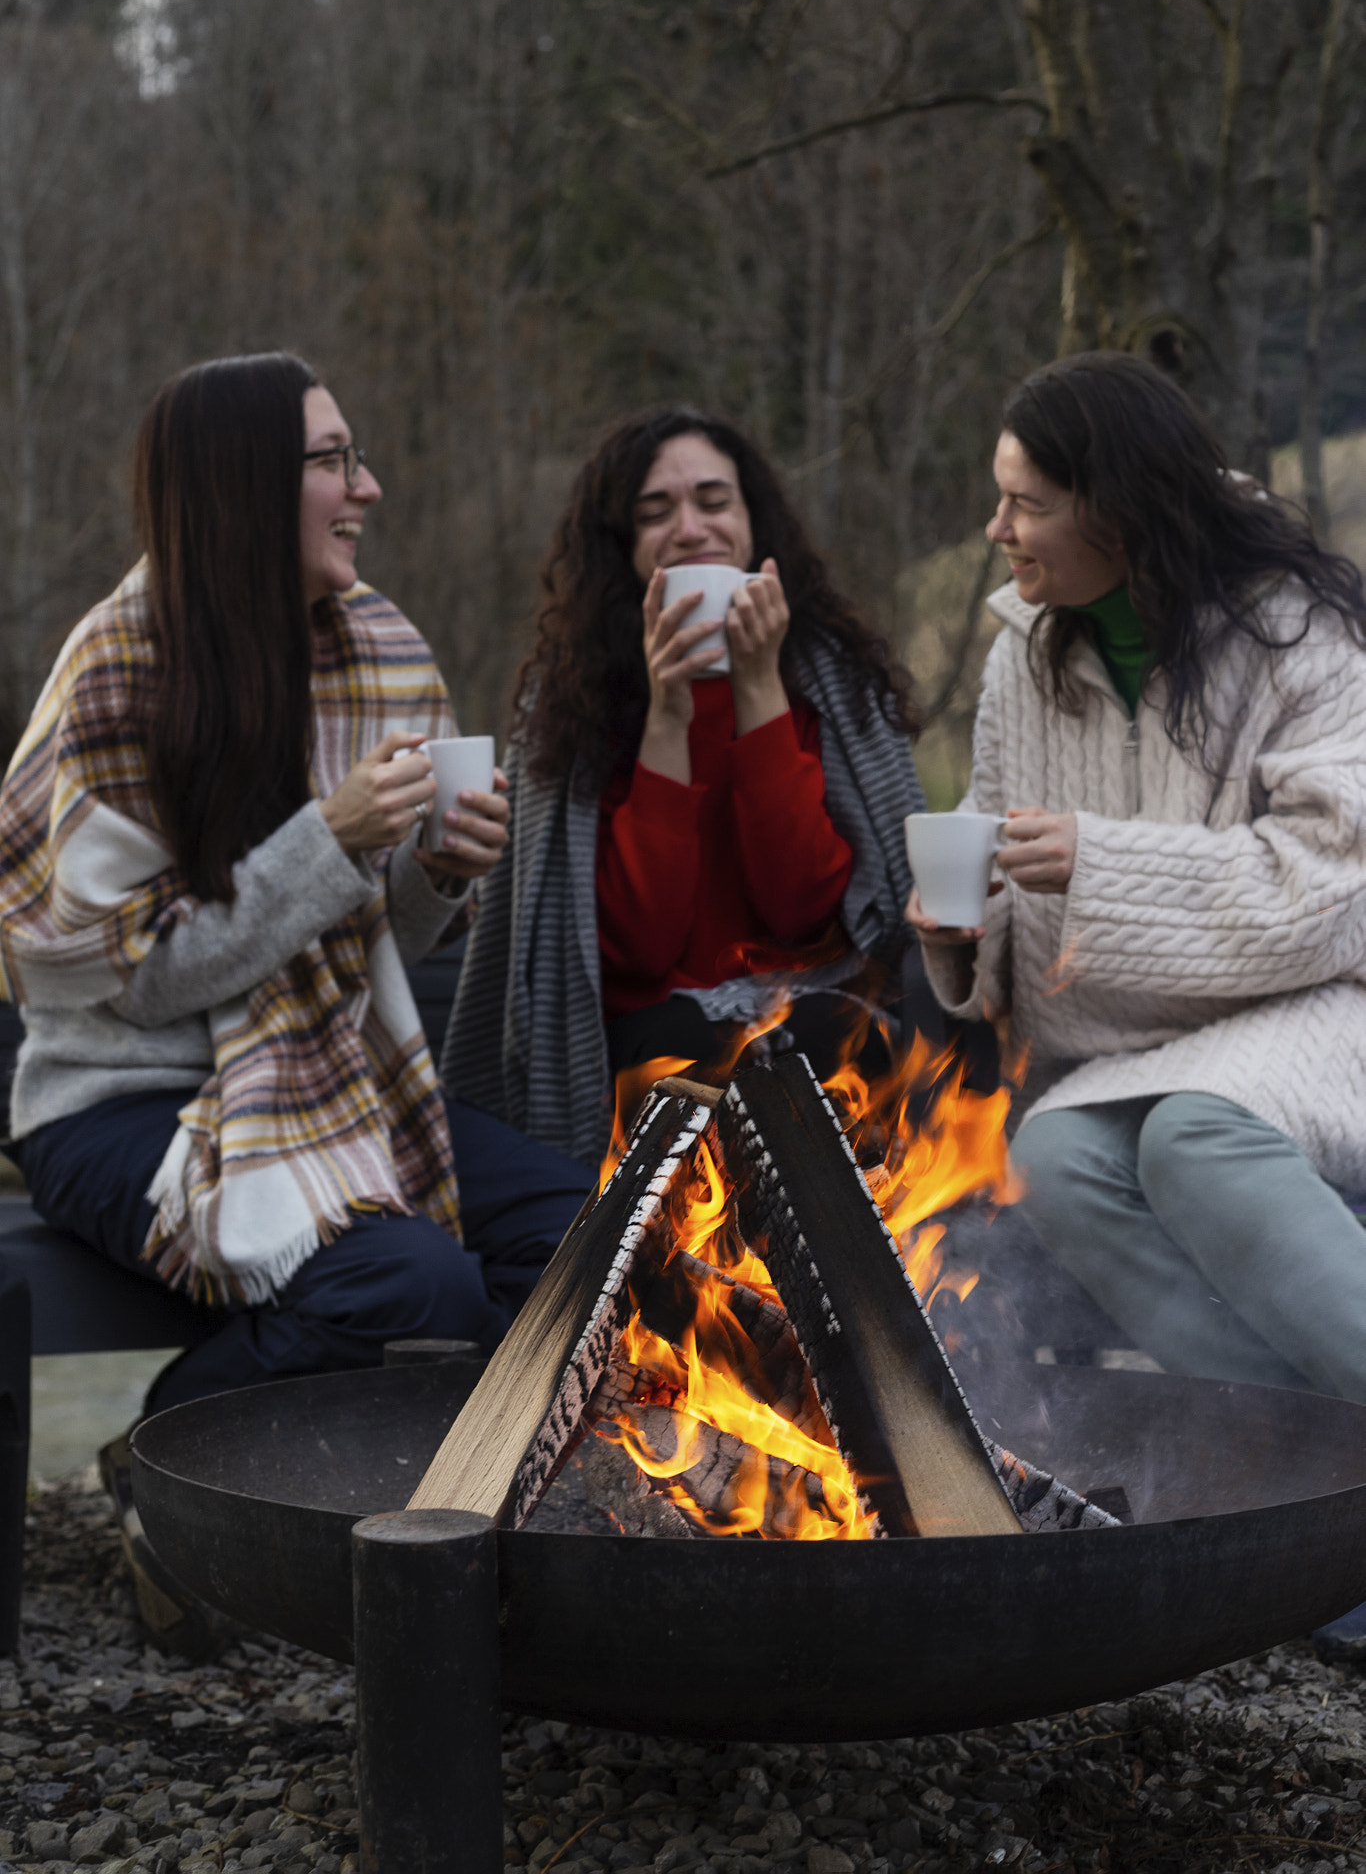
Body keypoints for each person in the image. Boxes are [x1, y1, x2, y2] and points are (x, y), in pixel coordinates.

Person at [0, 352, 595, 1422]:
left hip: (335, 1072)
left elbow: (366, 946)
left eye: (355, 458)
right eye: (332, 461)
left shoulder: (381, 653)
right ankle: (163, 1466)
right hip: (126, 1100)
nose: (366, 488)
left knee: (577, 1236)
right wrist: (329, 840)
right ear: (241, 486)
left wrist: (432, 871)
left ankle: (434, 1492)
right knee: (405, 1282)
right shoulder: (118, 675)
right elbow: (135, 981)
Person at [907, 351, 1366, 1428]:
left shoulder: (1295, 626)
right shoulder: (1017, 661)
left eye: (1025, 503)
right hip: (1128, 1048)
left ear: (1117, 511)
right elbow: (998, 854)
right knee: (1054, 1154)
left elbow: (1338, 876)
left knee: (1192, 1137)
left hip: (1313, 1010)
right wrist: (958, 932)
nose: (995, 528)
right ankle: (1296, 1464)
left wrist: (1099, 862)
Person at [441, 405, 926, 1166]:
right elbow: (637, 948)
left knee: (843, 1040)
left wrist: (759, 687)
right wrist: (667, 716)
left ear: (751, 522)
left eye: (713, 500)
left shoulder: (830, 674)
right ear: (625, 549)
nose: (691, 528)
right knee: (683, 1051)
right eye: (654, 513)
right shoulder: (573, 701)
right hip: (654, 1038)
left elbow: (802, 913)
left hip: (818, 1006)